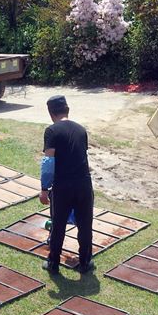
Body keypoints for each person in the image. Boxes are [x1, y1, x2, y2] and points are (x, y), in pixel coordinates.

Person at [40, 95, 94, 275]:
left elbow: (49, 162)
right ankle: (85, 262)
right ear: (67, 110)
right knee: (85, 224)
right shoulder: (81, 130)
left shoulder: (52, 131)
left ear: (50, 112)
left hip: (63, 186)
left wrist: (44, 189)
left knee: (59, 224)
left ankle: (53, 263)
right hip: (84, 184)